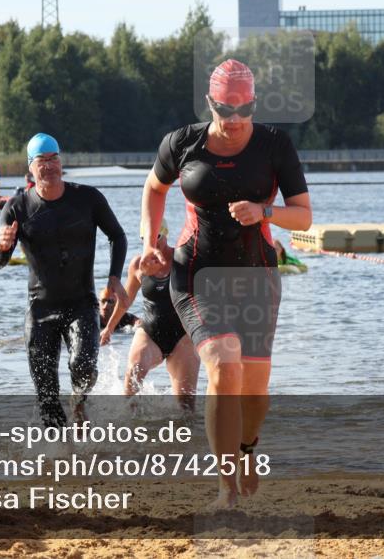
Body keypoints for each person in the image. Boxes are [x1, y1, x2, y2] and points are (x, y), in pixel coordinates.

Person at [139, 59, 312, 507]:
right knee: (222, 360)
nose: (235, 120)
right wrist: (150, 240)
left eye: (244, 108)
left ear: (254, 103)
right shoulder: (182, 142)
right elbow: (154, 188)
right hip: (196, 272)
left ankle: (248, 448)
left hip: (256, 275)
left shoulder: (274, 145)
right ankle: (225, 486)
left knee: (255, 388)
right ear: (209, 103)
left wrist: (265, 212)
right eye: (225, 109)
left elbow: (304, 215)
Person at [0, 132, 128, 427]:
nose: (50, 166)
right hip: (40, 310)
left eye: (55, 159)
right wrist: (2, 248)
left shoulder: (88, 198)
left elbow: (117, 235)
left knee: (84, 369)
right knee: (46, 396)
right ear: (30, 167)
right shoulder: (17, 208)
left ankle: (78, 403)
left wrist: (115, 277)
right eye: (43, 160)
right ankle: (59, 461)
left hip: (82, 303)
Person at [101, 220, 199, 411]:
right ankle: (131, 430)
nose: (152, 244)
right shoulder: (138, 264)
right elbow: (125, 300)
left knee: (186, 408)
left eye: (157, 238)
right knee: (133, 378)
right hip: (150, 330)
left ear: (166, 234)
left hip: (183, 336)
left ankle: (182, 439)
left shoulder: (183, 259)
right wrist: (109, 328)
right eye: (146, 239)